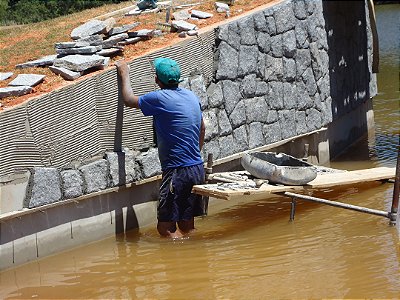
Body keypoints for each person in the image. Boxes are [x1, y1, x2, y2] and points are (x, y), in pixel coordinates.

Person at [115, 57, 206, 239]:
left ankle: (179, 263)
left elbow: (128, 99)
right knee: (187, 226)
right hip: (196, 167)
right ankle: (196, 259)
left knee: (166, 229)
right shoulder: (191, 96)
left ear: (157, 79)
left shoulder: (158, 98)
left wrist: (124, 72)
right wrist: (195, 152)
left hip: (177, 171)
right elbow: (202, 127)